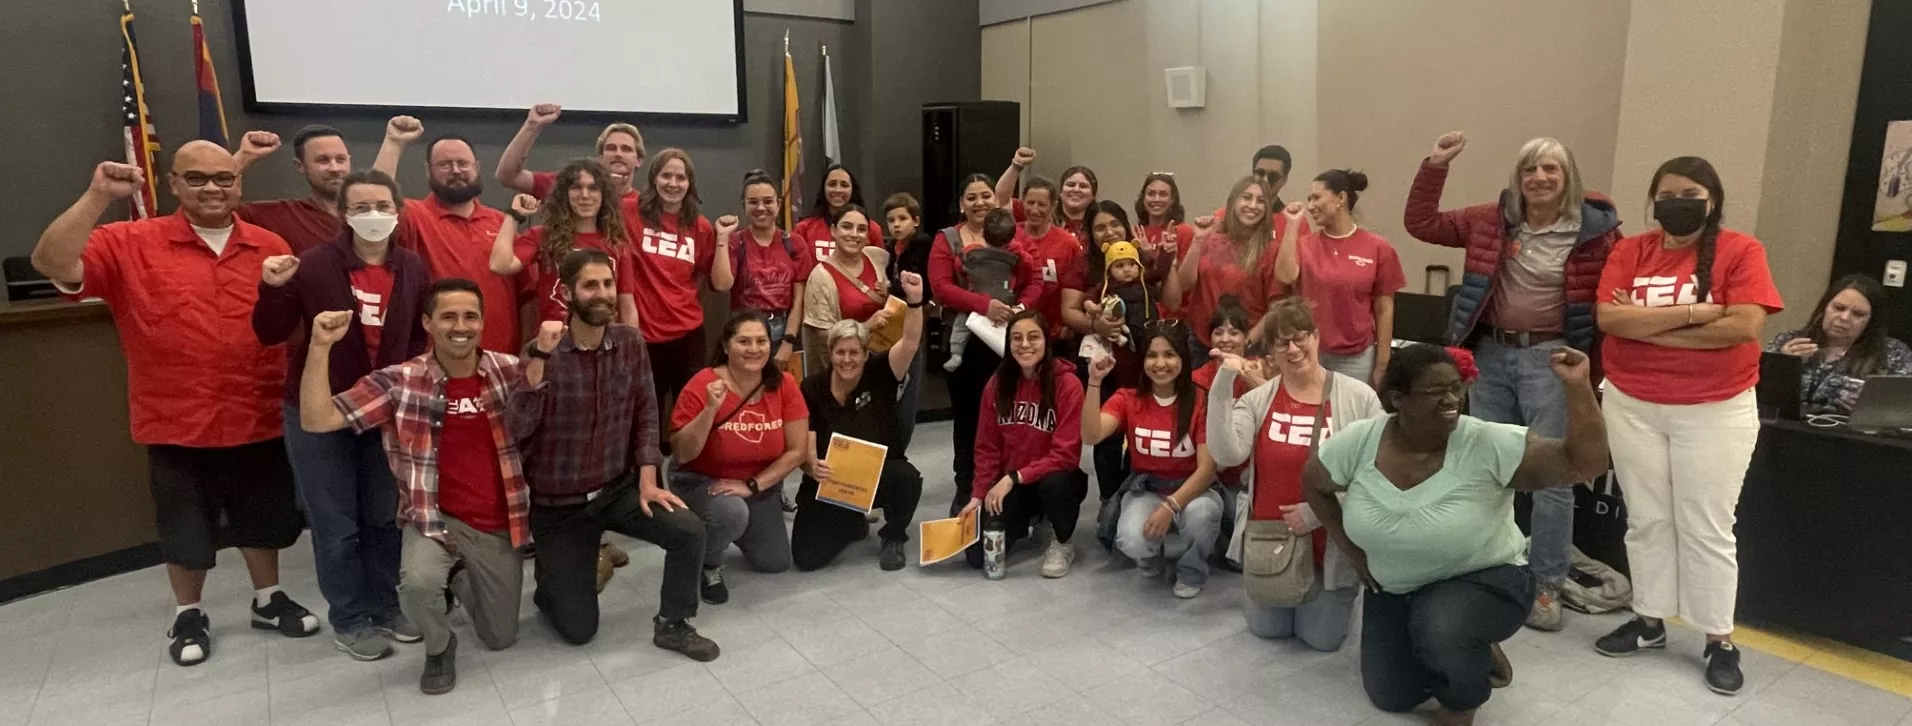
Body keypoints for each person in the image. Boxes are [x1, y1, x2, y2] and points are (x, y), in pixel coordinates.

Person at [31, 145, 318, 667]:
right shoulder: (128, 242)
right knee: (185, 525)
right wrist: (98, 195)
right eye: (198, 178)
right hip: (176, 419)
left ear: (239, 183)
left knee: (266, 516)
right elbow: (51, 262)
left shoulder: (269, 243)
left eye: (224, 178)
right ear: (174, 184)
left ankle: (267, 598)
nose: (213, 188)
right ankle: (189, 611)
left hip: (257, 410)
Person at [1306, 344, 1609, 725]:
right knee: (1391, 695)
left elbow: (1585, 463)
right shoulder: (1361, 440)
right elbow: (1313, 482)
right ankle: (1467, 649)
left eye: (1456, 388)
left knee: (1443, 625)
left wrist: (1578, 387)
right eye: (1436, 392)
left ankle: (1462, 699)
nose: (1451, 400)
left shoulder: (1487, 442)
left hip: (1487, 579)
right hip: (1396, 588)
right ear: (1398, 398)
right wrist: (1350, 549)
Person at [1402, 132, 1623, 632]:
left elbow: (1619, 290)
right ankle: (1482, 567)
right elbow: (1421, 223)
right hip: (1490, 354)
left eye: (1550, 169)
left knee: (1554, 479)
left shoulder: (1595, 232)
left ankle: (1547, 586)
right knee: (1486, 468)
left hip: (1553, 358)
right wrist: (1435, 164)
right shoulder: (1490, 219)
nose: (1539, 178)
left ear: (1567, 179)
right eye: (1530, 170)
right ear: (1517, 178)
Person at [1592, 156, 1783, 696]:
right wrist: (1701, 314)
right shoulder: (1631, 251)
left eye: (1691, 193)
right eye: (1667, 193)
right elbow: (1609, 319)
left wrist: (1647, 328)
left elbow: (1744, 326)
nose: (1678, 201)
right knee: (1647, 517)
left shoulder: (1741, 250)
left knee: (1705, 525)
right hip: (1632, 402)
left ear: (1712, 200)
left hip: (1715, 406)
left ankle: (1718, 638)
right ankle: (1650, 620)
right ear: (1653, 201)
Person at [299, 279, 532, 695]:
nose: (460, 326)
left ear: (482, 322)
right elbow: (317, 420)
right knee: (418, 584)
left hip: (499, 524)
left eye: (470, 316)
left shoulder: (509, 371)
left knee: (500, 638)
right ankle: (440, 646)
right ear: (428, 322)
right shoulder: (400, 381)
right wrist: (318, 347)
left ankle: (459, 577)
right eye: (448, 316)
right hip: (434, 521)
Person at [508, 250, 720, 661]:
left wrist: (647, 476)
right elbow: (516, 429)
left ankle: (673, 624)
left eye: (608, 284)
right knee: (579, 630)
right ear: (567, 292)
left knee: (688, 530)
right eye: (591, 285)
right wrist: (538, 362)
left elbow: (646, 413)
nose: (602, 293)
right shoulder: (541, 351)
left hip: (619, 488)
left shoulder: (629, 341)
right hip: (560, 504)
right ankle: (555, 580)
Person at [252, 169, 429, 661]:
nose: (373, 216)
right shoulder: (312, 265)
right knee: (336, 526)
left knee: (382, 517)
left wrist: (402, 388)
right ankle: (350, 618)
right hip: (318, 412)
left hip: (379, 411)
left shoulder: (412, 266)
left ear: (398, 210)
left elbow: (418, 334)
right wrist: (271, 288)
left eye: (382, 206)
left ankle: (386, 606)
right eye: (361, 208)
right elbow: (270, 332)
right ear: (343, 214)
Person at [1207, 298, 1384, 650]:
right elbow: (1226, 452)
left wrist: (1319, 511)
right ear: (1270, 352)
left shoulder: (1359, 398)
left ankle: (1336, 598)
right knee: (1266, 630)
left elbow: (1378, 473)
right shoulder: (1259, 399)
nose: (1293, 348)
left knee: (1322, 640)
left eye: (1300, 337)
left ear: (1317, 337)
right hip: (1271, 543)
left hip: (1328, 543)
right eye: (1281, 342)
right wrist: (1223, 383)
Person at [669, 310, 809, 604]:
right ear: (725, 346)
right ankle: (708, 563)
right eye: (744, 341)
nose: (754, 349)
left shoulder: (784, 384)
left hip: (755, 482)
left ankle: (725, 528)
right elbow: (683, 452)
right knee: (732, 513)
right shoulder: (703, 384)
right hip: (701, 477)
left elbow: (797, 451)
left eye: (761, 341)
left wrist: (754, 485)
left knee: (775, 562)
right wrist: (709, 409)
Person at [795, 272, 929, 571]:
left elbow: (908, 343)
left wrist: (915, 302)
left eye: (854, 352)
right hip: (831, 480)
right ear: (830, 354)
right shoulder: (812, 387)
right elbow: (807, 442)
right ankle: (852, 520)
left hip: (881, 473)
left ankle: (893, 535)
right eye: (840, 352)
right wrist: (811, 465)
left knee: (907, 477)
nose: (847, 359)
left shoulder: (881, 371)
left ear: (866, 354)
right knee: (806, 559)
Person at [930, 175, 1045, 512]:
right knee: (968, 417)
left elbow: (1034, 278)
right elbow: (941, 288)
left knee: (1013, 414)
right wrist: (985, 306)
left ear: (996, 200)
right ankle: (966, 485)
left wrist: (1019, 310)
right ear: (962, 203)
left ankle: (1013, 486)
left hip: (1008, 339)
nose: (979, 202)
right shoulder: (947, 239)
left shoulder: (1014, 236)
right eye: (971, 197)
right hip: (965, 343)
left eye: (986, 195)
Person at [1084, 324, 1220, 597]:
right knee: (1131, 538)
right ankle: (1150, 558)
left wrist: (1170, 506)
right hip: (1146, 488)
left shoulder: (1201, 400)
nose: (1160, 364)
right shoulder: (1127, 398)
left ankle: (1192, 569)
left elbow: (1207, 470)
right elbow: (1091, 434)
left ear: (1183, 358)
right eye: (1152, 356)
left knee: (1200, 516)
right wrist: (1095, 382)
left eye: (1169, 355)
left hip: (1194, 489)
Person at [373, 116, 524, 354]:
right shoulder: (414, 216)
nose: (455, 171)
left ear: (476, 166)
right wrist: (393, 143)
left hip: (501, 362)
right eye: (444, 165)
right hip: (434, 360)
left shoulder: (503, 223)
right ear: (428, 171)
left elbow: (527, 295)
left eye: (463, 163)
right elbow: (375, 201)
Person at [960, 310, 1089, 577]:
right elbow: (987, 447)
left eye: (1033, 337)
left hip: (1054, 479)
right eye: (1016, 338)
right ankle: (1029, 520)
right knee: (976, 556)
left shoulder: (1069, 384)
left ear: (1047, 342)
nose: (1025, 345)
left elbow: (1066, 455)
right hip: (1015, 483)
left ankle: (1060, 540)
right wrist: (978, 495)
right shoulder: (996, 384)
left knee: (1056, 483)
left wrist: (1013, 478)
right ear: (1008, 344)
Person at [631, 148, 737, 436]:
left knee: (688, 412)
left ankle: (684, 474)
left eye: (680, 177)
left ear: (690, 183)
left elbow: (721, 283)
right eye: (666, 175)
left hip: (687, 335)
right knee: (644, 415)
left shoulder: (700, 227)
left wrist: (723, 239)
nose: (673, 183)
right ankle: (646, 476)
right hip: (643, 335)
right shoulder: (632, 214)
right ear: (653, 179)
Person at [1276, 169, 1407, 386]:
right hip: (1309, 352)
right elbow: (1284, 275)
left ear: (1341, 198)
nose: (1310, 206)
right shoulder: (1305, 244)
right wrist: (1291, 225)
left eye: (1317, 197)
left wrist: (1382, 363)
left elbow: (1384, 308)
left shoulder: (1378, 247)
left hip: (1356, 358)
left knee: (1350, 418)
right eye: (1309, 199)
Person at [490, 159, 640, 327]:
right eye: (576, 187)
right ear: (564, 194)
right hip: (555, 340)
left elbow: (626, 303)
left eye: (593, 188)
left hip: (603, 342)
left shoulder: (617, 244)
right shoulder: (543, 236)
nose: (585, 195)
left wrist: (632, 346)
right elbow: (499, 265)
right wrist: (514, 215)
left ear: (603, 195)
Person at [1166, 175, 1293, 355]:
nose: (1252, 206)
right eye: (1247, 197)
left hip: (1248, 348)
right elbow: (1184, 285)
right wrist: (1198, 240)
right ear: (1233, 201)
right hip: (1201, 344)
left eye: (1261, 201)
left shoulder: (1271, 250)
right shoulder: (1210, 239)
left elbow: (1276, 307)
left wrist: (1247, 341)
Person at [1767, 273, 1912, 416]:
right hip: (1787, 430)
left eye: (1858, 314)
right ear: (1824, 308)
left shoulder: (1894, 354)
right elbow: (1757, 393)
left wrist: (1874, 408)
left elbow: (1904, 410)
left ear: (1871, 322)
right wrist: (1783, 364)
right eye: (1838, 308)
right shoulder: (1788, 341)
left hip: (1852, 436)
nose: (1844, 318)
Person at [497, 103, 645, 216]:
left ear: (639, 160)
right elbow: (507, 175)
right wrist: (532, 125)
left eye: (626, 149)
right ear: (600, 157)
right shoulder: (567, 186)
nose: (618, 154)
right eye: (611, 148)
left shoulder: (644, 207)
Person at [801, 205, 895, 377]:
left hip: (881, 363)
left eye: (861, 229)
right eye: (846, 226)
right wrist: (866, 327)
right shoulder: (821, 277)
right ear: (833, 231)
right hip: (843, 371)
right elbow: (824, 336)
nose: (854, 234)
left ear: (867, 236)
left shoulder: (877, 258)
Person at [728, 170, 809, 370]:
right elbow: (722, 284)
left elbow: (799, 299)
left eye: (767, 201)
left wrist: (788, 341)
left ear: (778, 204)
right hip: (745, 331)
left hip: (784, 330)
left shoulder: (794, 243)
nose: (761, 207)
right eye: (753, 202)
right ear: (744, 206)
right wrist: (721, 241)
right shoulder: (735, 242)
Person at [232, 126, 357, 252]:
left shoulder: (371, 212)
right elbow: (219, 209)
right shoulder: (284, 215)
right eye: (323, 160)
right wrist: (244, 157)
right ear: (300, 166)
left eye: (341, 159)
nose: (335, 168)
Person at [943, 209, 1029, 371]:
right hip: (1006, 303)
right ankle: (1013, 357)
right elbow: (1026, 270)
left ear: (983, 233)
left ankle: (956, 353)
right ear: (1012, 237)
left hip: (974, 302)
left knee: (961, 323)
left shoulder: (972, 252)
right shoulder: (1015, 257)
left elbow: (959, 266)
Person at [883, 192, 934, 449]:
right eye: (891, 220)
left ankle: (900, 445)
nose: (896, 225)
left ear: (915, 221)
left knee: (908, 382)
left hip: (913, 316)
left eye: (902, 219)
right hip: (893, 322)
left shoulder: (922, 244)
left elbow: (918, 281)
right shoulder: (891, 248)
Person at [794, 164, 886, 262]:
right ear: (823, 189)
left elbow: (878, 270)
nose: (838, 190)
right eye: (832, 184)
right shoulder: (803, 229)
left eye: (844, 185)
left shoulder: (872, 229)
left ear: (852, 190)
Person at [994, 148, 1098, 235]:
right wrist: (1016, 165)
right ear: (1060, 192)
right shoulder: (1037, 210)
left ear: (1094, 195)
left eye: (1083, 186)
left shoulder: (1100, 223)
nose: (1076, 189)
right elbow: (1001, 199)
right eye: (1070, 185)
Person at [1134, 172, 1195, 310]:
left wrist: (1159, 259)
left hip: (1177, 313)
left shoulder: (1184, 231)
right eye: (1151, 194)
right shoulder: (1136, 233)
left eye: (1162, 194)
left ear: (1172, 199)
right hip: (1143, 311)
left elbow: (1185, 281)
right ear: (1143, 198)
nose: (1156, 199)